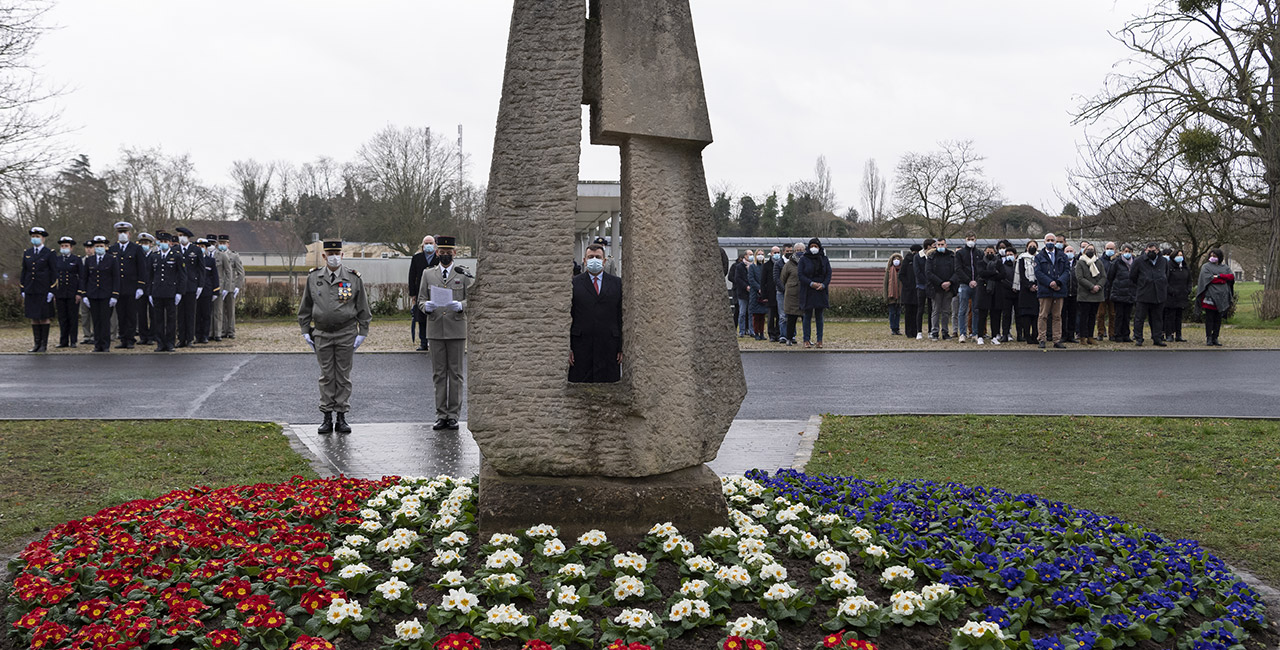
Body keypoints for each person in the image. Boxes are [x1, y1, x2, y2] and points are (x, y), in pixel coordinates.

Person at [299, 239, 372, 434]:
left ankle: (341, 416)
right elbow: (305, 307)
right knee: (326, 375)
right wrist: (305, 330)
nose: (333, 257)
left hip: (346, 333)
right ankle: (326, 416)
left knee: (343, 375)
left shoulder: (353, 278)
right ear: (324, 256)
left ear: (342, 255)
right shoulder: (314, 278)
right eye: (329, 254)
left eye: (337, 253)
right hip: (321, 333)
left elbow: (363, 308)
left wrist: (362, 332)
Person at [417, 235, 473, 431]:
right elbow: (421, 299)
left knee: (456, 374)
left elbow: (473, 299)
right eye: (442, 252)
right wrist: (427, 307)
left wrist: (461, 305)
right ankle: (441, 414)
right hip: (435, 329)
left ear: (455, 253)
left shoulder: (463, 274)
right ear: (437, 253)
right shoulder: (428, 274)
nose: (445, 255)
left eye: (449, 253)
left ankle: (453, 416)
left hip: (456, 329)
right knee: (439, 374)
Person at [569, 243, 622, 383]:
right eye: (590, 257)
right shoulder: (574, 284)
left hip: (609, 346)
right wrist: (567, 348)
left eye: (597, 257)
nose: (594, 260)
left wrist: (622, 346)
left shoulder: (617, 284)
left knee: (609, 388)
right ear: (585, 260)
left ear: (604, 261)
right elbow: (570, 315)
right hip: (581, 346)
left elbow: (620, 315)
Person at [107, 221, 147, 350]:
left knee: (130, 314)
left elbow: (142, 269)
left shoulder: (136, 249)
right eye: (120, 232)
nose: (122, 235)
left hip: (132, 288)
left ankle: (130, 339)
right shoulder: (113, 249)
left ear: (129, 234)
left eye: (124, 232)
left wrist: (141, 286)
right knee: (121, 315)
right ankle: (123, 338)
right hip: (118, 288)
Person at [79, 235, 120, 353]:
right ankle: (97, 344)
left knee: (105, 321)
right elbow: (85, 278)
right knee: (96, 321)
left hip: (106, 295)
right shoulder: (89, 260)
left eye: (101, 246)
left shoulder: (112, 259)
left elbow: (116, 278)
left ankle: (105, 344)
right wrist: (84, 295)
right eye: (97, 246)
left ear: (106, 247)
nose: (99, 248)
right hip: (93, 294)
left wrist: (115, 295)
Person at [20, 226, 57, 353]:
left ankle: (43, 345)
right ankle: (36, 343)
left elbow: (54, 272)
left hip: (44, 289)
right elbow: (24, 271)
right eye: (33, 237)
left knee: (44, 316)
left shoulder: (49, 253)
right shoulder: (27, 252)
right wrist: (23, 288)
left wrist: (52, 290)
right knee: (34, 317)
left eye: (38, 237)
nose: (35, 239)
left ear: (43, 238)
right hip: (31, 288)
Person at [148, 232, 186, 352]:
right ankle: (160, 343)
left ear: (170, 243)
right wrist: (149, 292)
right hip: (157, 292)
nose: (163, 244)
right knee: (158, 319)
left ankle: (170, 343)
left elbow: (182, 275)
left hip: (171, 292)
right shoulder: (154, 256)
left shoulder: (177, 256)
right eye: (161, 241)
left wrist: (180, 292)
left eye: (165, 242)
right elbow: (149, 276)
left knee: (171, 319)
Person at [1034, 233, 1070, 348]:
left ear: (1055, 242)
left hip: (1059, 290)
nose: (1050, 242)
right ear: (1044, 242)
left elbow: (1067, 271)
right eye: (1048, 240)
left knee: (1057, 316)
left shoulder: (1063, 256)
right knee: (1043, 315)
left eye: (1052, 240)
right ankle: (1042, 339)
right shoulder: (1039, 257)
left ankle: (1056, 339)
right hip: (1045, 290)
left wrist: (1058, 282)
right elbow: (1038, 273)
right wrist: (1050, 283)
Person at [1129, 242, 1169, 347]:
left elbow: (1167, 274)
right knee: (1139, 318)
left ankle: (1157, 338)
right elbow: (1132, 276)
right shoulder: (1138, 261)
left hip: (1158, 294)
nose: (1151, 252)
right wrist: (1143, 283)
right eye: (1149, 250)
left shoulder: (1163, 261)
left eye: (1154, 251)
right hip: (1143, 293)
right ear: (1145, 250)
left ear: (1158, 250)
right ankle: (1138, 338)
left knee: (1157, 318)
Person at [797, 237, 832, 348]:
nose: (813, 248)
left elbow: (828, 274)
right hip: (808, 290)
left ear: (819, 247)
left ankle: (819, 340)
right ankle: (806, 339)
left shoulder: (824, 259)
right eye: (811, 246)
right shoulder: (803, 259)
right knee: (807, 316)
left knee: (819, 316)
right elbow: (801, 275)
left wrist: (823, 284)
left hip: (820, 291)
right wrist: (811, 283)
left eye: (815, 246)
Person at [1195, 249, 1234, 346]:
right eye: (1211, 255)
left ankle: (1215, 337)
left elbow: (1231, 277)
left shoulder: (1225, 267)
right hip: (1210, 297)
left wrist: (1219, 276)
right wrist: (1221, 279)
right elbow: (1209, 279)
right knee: (1209, 318)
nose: (1213, 257)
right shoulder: (1206, 267)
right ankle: (1208, 337)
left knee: (1218, 319)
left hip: (1223, 297)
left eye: (1215, 256)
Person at [408, 235, 438, 350]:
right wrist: (413, 294)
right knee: (421, 318)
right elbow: (412, 276)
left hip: (435, 291)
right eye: (426, 243)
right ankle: (423, 342)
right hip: (421, 292)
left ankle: (434, 342)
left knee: (435, 317)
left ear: (435, 244)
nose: (429, 245)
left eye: (431, 243)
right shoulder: (417, 258)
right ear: (422, 245)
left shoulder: (439, 258)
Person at [51, 236, 82, 348]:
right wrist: (54, 292)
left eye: (66, 246)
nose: (64, 248)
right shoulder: (57, 260)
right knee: (62, 318)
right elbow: (53, 277)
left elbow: (81, 277)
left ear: (71, 248)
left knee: (72, 318)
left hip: (72, 293)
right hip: (60, 292)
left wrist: (79, 292)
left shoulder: (76, 259)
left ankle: (73, 340)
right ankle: (63, 341)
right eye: (62, 246)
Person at [174, 227, 203, 348]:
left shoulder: (196, 250)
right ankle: (181, 338)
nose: (181, 237)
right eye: (179, 235)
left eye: (183, 235)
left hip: (191, 286)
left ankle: (190, 338)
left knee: (190, 313)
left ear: (188, 237)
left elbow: (201, 269)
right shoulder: (175, 250)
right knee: (180, 314)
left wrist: (200, 285)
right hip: (179, 287)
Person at [1073, 243, 1106, 345]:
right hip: (1084, 294)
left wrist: (1098, 286)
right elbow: (1079, 278)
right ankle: (1083, 336)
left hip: (1096, 295)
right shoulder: (1080, 263)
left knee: (1092, 316)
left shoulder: (1099, 262)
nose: (1090, 251)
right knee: (1084, 316)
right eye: (1088, 249)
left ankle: (1090, 337)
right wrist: (1091, 286)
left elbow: (1103, 277)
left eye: (1092, 249)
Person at [926, 238, 956, 341]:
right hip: (936, 288)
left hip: (949, 288)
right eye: (938, 245)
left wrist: (950, 282)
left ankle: (945, 332)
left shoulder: (952, 257)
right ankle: (934, 332)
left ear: (946, 245)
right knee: (936, 310)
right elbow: (929, 272)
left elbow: (957, 271)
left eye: (942, 244)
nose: (940, 246)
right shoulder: (931, 257)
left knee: (946, 311)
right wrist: (940, 283)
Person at [953, 232, 981, 342]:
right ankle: (962, 333)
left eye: (972, 239)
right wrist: (968, 280)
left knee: (975, 309)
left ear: (975, 239)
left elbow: (981, 268)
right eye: (969, 239)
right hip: (964, 284)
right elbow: (958, 269)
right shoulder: (960, 254)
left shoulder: (979, 253)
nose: (971, 241)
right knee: (962, 310)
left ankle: (974, 333)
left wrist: (976, 280)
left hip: (977, 285)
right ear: (965, 240)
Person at [1107, 245, 1137, 343]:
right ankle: (1118, 334)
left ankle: (1126, 334)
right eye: (1125, 251)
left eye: (1129, 251)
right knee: (1119, 315)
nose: (1127, 253)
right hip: (1119, 292)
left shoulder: (1135, 262)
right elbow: (1110, 276)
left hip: (1130, 292)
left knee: (1127, 316)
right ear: (1122, 252)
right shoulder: (1116, 262)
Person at [193, 238, 221, 345]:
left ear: (206, 248)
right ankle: (197, 335)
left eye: (203, 247)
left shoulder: (210, 260)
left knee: (206, 315)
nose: (200, 249)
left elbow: (215, 277)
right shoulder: (193, 260)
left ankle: (205, 336)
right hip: (195, 292)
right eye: (199, 247)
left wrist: (215, 291)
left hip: (207, 291)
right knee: (196, 315)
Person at [217, 234, 245, 340]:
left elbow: (241, 272)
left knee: (230, 310)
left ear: (228, 244)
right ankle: (223, 330)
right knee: (220, 310)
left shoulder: (234, 256)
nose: (222, 245)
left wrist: (238, 286)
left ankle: (231, 330)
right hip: (220, 286)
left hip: (231, 287)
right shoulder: (217, 255)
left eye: (224, 243)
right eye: (220, 243)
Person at [1013, 240, 1040, 344]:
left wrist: (1037, 285)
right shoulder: (1022, 258)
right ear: (1027, 247)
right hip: (1025, 290)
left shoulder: (1040, 258)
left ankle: (1035, 336)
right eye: (1030, 246)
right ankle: (1027, 336)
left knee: (1036, 315)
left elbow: (1041, 272)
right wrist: (1029, 286)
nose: (1032, 247)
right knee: (1026, 315)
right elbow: (1021, 274)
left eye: (1034, 246)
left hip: (1037, 290)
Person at [779, 242, 804, 346]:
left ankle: (806, 339)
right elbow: (782, 278)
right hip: (791, 296)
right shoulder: (788, 264)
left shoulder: (807, 262)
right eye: (797, 250)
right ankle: (789, 338)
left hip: (804, 295)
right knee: (791, 319)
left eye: (801, 250)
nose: (799, 252)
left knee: (805, 318)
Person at [974, 245, 1000, 345]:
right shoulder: (980, 262)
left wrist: (989, 274)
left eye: (991, 252)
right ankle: (980, 336)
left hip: (996, 291)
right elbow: (981, 273)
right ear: (984, 253)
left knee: (995, 315)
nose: (990, 254)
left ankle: (994, 336)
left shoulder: (998, 262)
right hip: (983, 291)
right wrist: (994, 273)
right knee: (982, 315)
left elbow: (1002, 275)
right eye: (988, 252)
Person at [1164, 249, 1190, 342]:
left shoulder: (1185, 267)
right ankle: (1169, 334)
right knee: (1170, 316)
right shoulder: (1169, 266)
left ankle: (1178, 335)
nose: (1180, 257)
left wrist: (1188, 290)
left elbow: (1189, 280)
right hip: (1171, 296)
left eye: (1181, 255)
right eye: (1178, 255)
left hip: (1182, 295)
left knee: (1179, 316)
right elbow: (1165, 280)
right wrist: (1171, 290)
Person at [135, 233, 155, 346]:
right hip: (140, 288)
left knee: (153, 314)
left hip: (151, 288)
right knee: (141, 314)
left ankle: (152, 336)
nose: (144, 245)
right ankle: (143, 336)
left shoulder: (154, 256)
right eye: (142, 243)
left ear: (151, 244)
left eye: (146, 243)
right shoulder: (137, 256)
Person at [995, 244, 1018, 343]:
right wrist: (1011, 286)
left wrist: (1016, 286)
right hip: (1006, 293)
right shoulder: (1002, 266)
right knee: (1006, 315)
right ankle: (1005, 333)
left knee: (1018, 315)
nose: (1009, 256)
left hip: (1017, 293)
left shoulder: (1018, 265)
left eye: (1011, 254)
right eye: (1007, 254)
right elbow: (1001, 278)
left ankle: (1020, 334)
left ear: (1015, 255)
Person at [898, 245, 921, 339]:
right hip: (908, 291)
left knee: (916, 311)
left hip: (917, 290)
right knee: (908, 312)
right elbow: (901, 275)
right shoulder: (907, 261)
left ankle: (915, 331)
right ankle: (908, 331)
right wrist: (907, 284)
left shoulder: (919, 260)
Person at [1097, 242, 1118, 341]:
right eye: (1108, 248)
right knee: (1100, 314)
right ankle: (1100, 333)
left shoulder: (1117, 261)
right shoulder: (1100, 261)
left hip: (1113, 291)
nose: (1109, 250)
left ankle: (1112, 333)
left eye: (1111, 248)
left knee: (1113, 314)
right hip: (1102, 291)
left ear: (1115, 249)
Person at [913, 238, 934, 339]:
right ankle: (919, 331)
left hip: (931, 286)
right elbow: (917, 272)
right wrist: (925, 281)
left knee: (931, 309)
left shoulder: (933, 256)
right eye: (933, 245)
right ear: (928, 246)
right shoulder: (918, 257)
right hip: (921, 286)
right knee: (920, 309)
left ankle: (931, 330)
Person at [747, 250, 769, 341]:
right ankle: (756, 332)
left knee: (762, 316)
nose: (761, 256)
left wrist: (764, 289)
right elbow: (751, 279)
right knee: (756, 316)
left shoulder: (765, 266)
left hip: (763, 293)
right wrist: (758, 288)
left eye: (762, 254)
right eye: (759, 254)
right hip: (755, 294)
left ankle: (762, 333)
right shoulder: (752, 267)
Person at [79, 239, 95, 345]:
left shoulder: (97, 260)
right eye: (87, 248)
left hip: (94, 291)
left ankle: (95, 334)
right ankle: (86, 335)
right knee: (84, 315)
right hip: (84, 291)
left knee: (95, 315)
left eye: (90, 247)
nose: (88, 250)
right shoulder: (81, 261)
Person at [761, 247, 779, 342]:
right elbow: (763, 281)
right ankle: (771, 333)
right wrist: (764, 296)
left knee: (780, 316)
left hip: (779, 293)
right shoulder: (767, 265)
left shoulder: (781, 264)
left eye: (778, 252)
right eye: (775, 252)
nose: (777, 254)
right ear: (771, 253)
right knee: (771, 316)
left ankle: (778, 333)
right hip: (770, 294)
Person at [731, 251, 750, 337]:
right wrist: (740, 284)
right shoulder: (736, 267)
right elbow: (732, 277)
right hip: (738, 290)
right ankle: (737, 328)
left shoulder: (750, 266)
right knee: (739, 310)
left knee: (747, 311)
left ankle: (747, 328)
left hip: (748, 291)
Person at [1062, 240, 1078, 343]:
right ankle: (1063, 335)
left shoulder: (1078, 264)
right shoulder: (1062, 263)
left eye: (1071, 251)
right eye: (1067, 251)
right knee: (1063, 315)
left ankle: (1071, 335)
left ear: (1074, 252)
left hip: (1075, 293)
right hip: (1064, 293)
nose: (1069, 253)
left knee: (1073, 315)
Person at [884, 253, 903, 336]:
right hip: (891, 296)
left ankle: (897, 328)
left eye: (898, 259)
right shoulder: (888, 271)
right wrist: (885, 296)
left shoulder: (902, 271)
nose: (896, 261)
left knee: (898, 313)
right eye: (895, 259)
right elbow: (885, 284)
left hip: (900, 296)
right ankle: (893, 328)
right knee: (892, 312)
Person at [772, 245, 787, 343]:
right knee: (782, 315)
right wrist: (783, 289)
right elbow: (776, 278)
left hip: (791, 292)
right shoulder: (778, 264)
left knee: (791, 315)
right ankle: (782, 335)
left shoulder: (794, 263)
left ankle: (791, 335)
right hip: (781, 292)